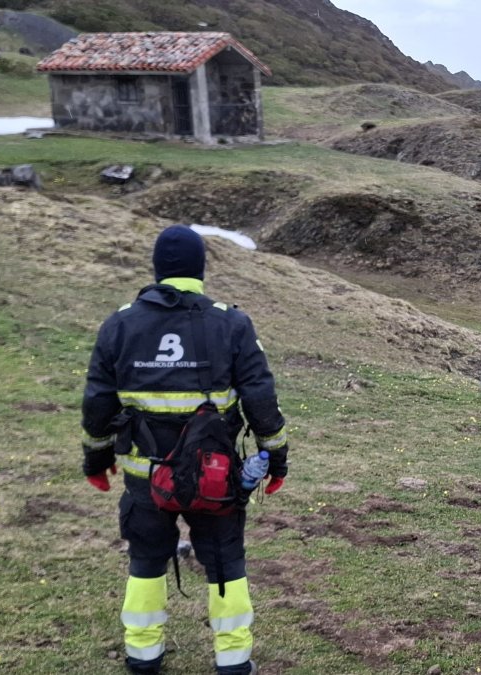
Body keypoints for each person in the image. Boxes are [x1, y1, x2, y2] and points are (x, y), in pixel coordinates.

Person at [81, 225, 289, 675]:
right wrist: (277, 458)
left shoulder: (120, 324)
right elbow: (261, 399)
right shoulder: (232, 323)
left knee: (146, 562)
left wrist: (96, 461)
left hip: (143, 479)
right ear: (200, 269)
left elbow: (98, 402)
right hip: (216, 478)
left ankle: (143, 656)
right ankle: (233, 662)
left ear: (157, 270)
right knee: (225, 563)